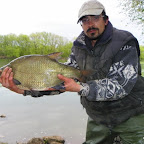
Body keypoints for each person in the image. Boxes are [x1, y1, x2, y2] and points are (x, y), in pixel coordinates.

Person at [0, 0, 144, 143]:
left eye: (95, 18)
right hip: (98, 117)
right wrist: (24, 90)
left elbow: (121, 85)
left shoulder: (124, 42)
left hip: (131, 114)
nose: (90, 24)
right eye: (85, 20)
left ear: (105, 20)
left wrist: (82, 87)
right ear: (81, 23)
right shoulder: (78, 46)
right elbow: (62, 81)